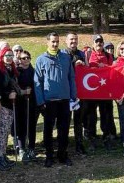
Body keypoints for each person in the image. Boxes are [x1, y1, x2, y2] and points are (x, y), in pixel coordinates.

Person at [34, 32, 78, 167]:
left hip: (64, 100)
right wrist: (40, 102)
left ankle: (62, 155)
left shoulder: (65, 58)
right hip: (49, 101)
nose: (55, 44)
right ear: (47, 42)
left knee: (64, 129)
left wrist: (73, 95)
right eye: (52, 41)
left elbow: (71, 77)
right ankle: (49, 155)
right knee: (48, 129)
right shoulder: (41, 59)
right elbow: (38, 81)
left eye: (57, 41)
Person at [84, 34, 117, 149]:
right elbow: (83, 68)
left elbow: (113, 70)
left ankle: (107, 137)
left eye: (101, 42)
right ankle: (92, 138)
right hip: (91, 91)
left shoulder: (108, 55)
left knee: (106, 115)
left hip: (105, 91)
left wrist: (106, 66)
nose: (99, 44)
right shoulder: (87, 54)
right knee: (91, 116)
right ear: (93, 43)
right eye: (97, 42)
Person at [62, 32, 91, 155]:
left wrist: (85, 64)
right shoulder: (62, 54)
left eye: (75, 39)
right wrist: (74, 65)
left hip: (80, 93)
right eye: (71, 40)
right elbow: (62, 71)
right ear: (66, 41)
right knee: (65, 120)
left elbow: (87, 70)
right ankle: (64, 145)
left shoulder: (81, 54)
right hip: (66, 93)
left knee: (79, 120)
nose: (73, 42)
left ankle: (79, 144)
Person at [0, 47, 20, 170]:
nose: (9, 58)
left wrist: (14, 91)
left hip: (11, 103)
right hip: (3, 103)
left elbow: (13, 84)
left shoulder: (11, 69)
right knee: (2, 131)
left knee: (6, 130)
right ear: (1, 56)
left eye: (11, 55)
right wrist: (5, 95)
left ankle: (3, 155)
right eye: (6, 55)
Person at [15, 50, 38, 161]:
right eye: (23, 58)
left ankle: (31, 148)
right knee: (22, 126)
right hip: (20, 102)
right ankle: (22, 148)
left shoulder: (33, 71)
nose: (26, 60)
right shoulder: (17, 72)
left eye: (28, 57)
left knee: (32, 125)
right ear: (20, 60)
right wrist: (23, 91)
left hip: (32, 102)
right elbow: (15, 86)